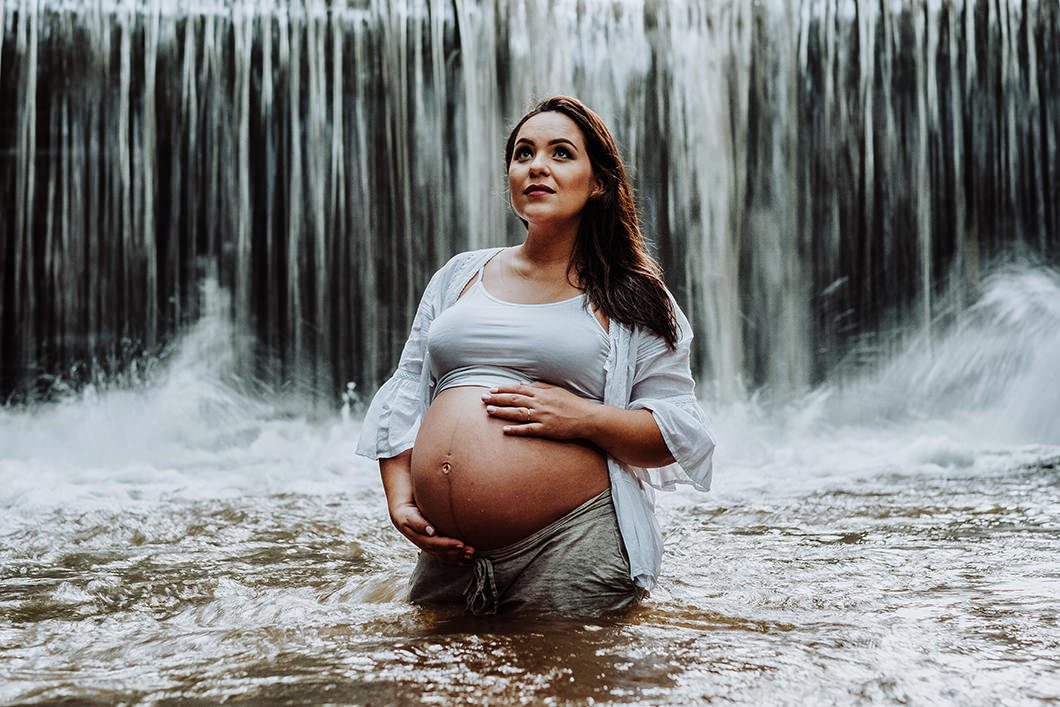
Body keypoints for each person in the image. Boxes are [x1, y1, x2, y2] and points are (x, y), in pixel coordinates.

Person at [356, 96, 714, 616]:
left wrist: (584, 417)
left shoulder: (634, 297)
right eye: (523, 153)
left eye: (561, 153)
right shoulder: (459, 276)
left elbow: (675, 432)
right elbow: (407, 389)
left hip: (570, 545)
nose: (536, 166)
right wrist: (400, 498)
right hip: (448, 557)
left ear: (599, 183)